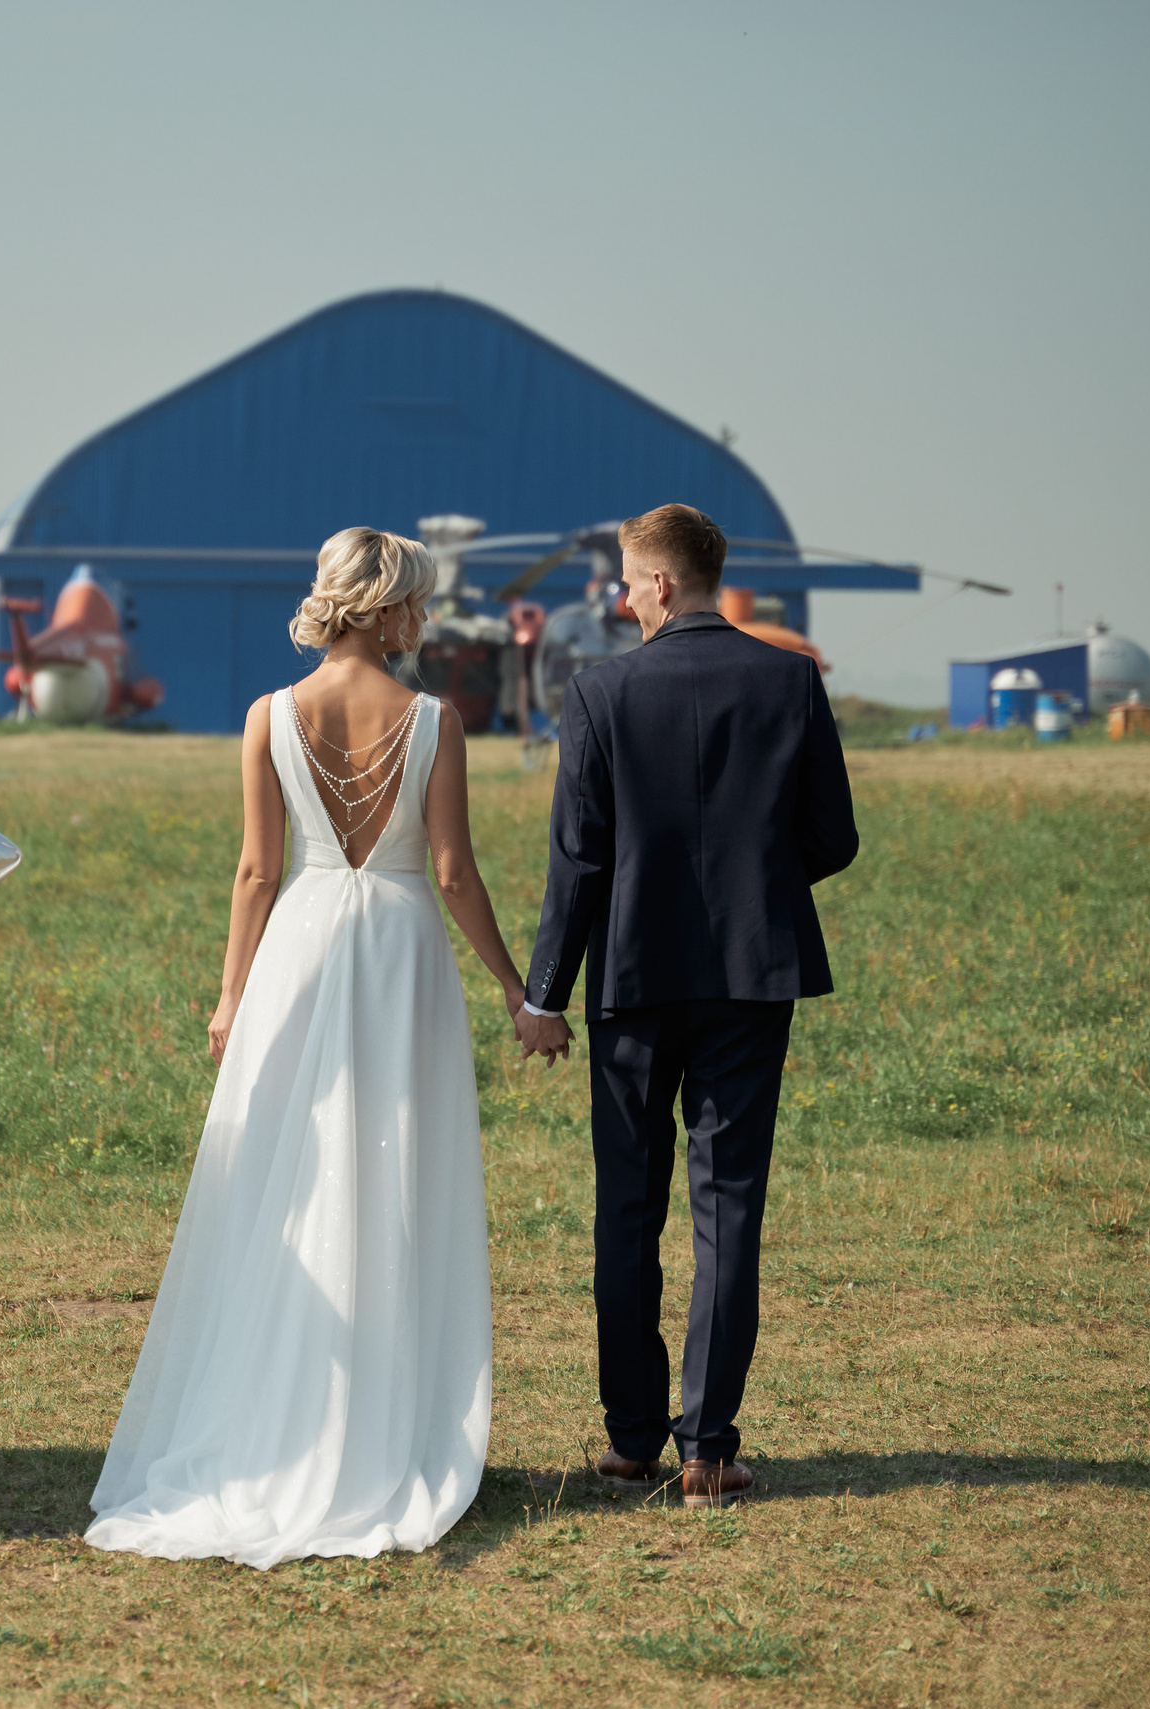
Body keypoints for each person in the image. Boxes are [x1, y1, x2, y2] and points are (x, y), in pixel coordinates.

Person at [86, 526, 525, 1569]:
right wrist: (516, 989)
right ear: (383, 607)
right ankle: (388, 1422)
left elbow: (254, 870)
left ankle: (288, 1408)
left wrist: (230, 996)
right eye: (413, 600)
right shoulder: (433, 719)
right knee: (396, 1170)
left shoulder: (265, 716)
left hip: (300, 944)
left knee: (293, 1172)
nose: (420, 617)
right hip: (403, 953)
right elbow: (454, 872)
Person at [513, 503, 858, 1509]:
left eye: (627, 580)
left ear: (660, 583)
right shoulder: (790, 678)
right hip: (753, 976)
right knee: (728, 1206)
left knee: (625, 1207)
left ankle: (629, 1442)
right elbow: (831, 837)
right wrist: (751, 885)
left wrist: (544, 993)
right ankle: (707, 1448)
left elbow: (577, 861)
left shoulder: (598, 689)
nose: (622, 597)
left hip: (628, 980)